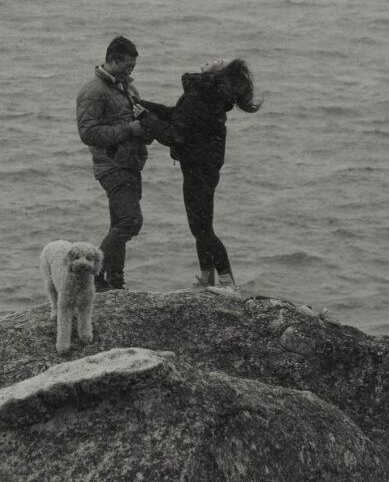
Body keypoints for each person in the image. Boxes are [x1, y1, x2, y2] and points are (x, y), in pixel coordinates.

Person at [138, 58, 261, 290]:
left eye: (218, 61)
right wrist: (142, 105)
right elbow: (176, 114)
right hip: (205, 167)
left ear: (218, 73)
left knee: (201, 228)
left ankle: (226, 280)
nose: (213, 59)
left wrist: (145, 118)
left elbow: (175, 134)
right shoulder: (208, 93)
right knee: (201, 226)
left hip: (198, 168)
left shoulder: (202, 95)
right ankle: (207, 278)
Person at [76, 36, 152, 291]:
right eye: (127, 66)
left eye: (132, 67)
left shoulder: (126, 88)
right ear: (111, 60)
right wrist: (129, 129)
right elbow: (88, 133)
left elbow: (137, 120)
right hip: (112, 165)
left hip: (131, 163)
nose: (131, 71)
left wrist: (147, 125)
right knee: (130, 222)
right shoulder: (93, 91)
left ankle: (115, 282)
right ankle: (92, 273)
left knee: (119, 223)